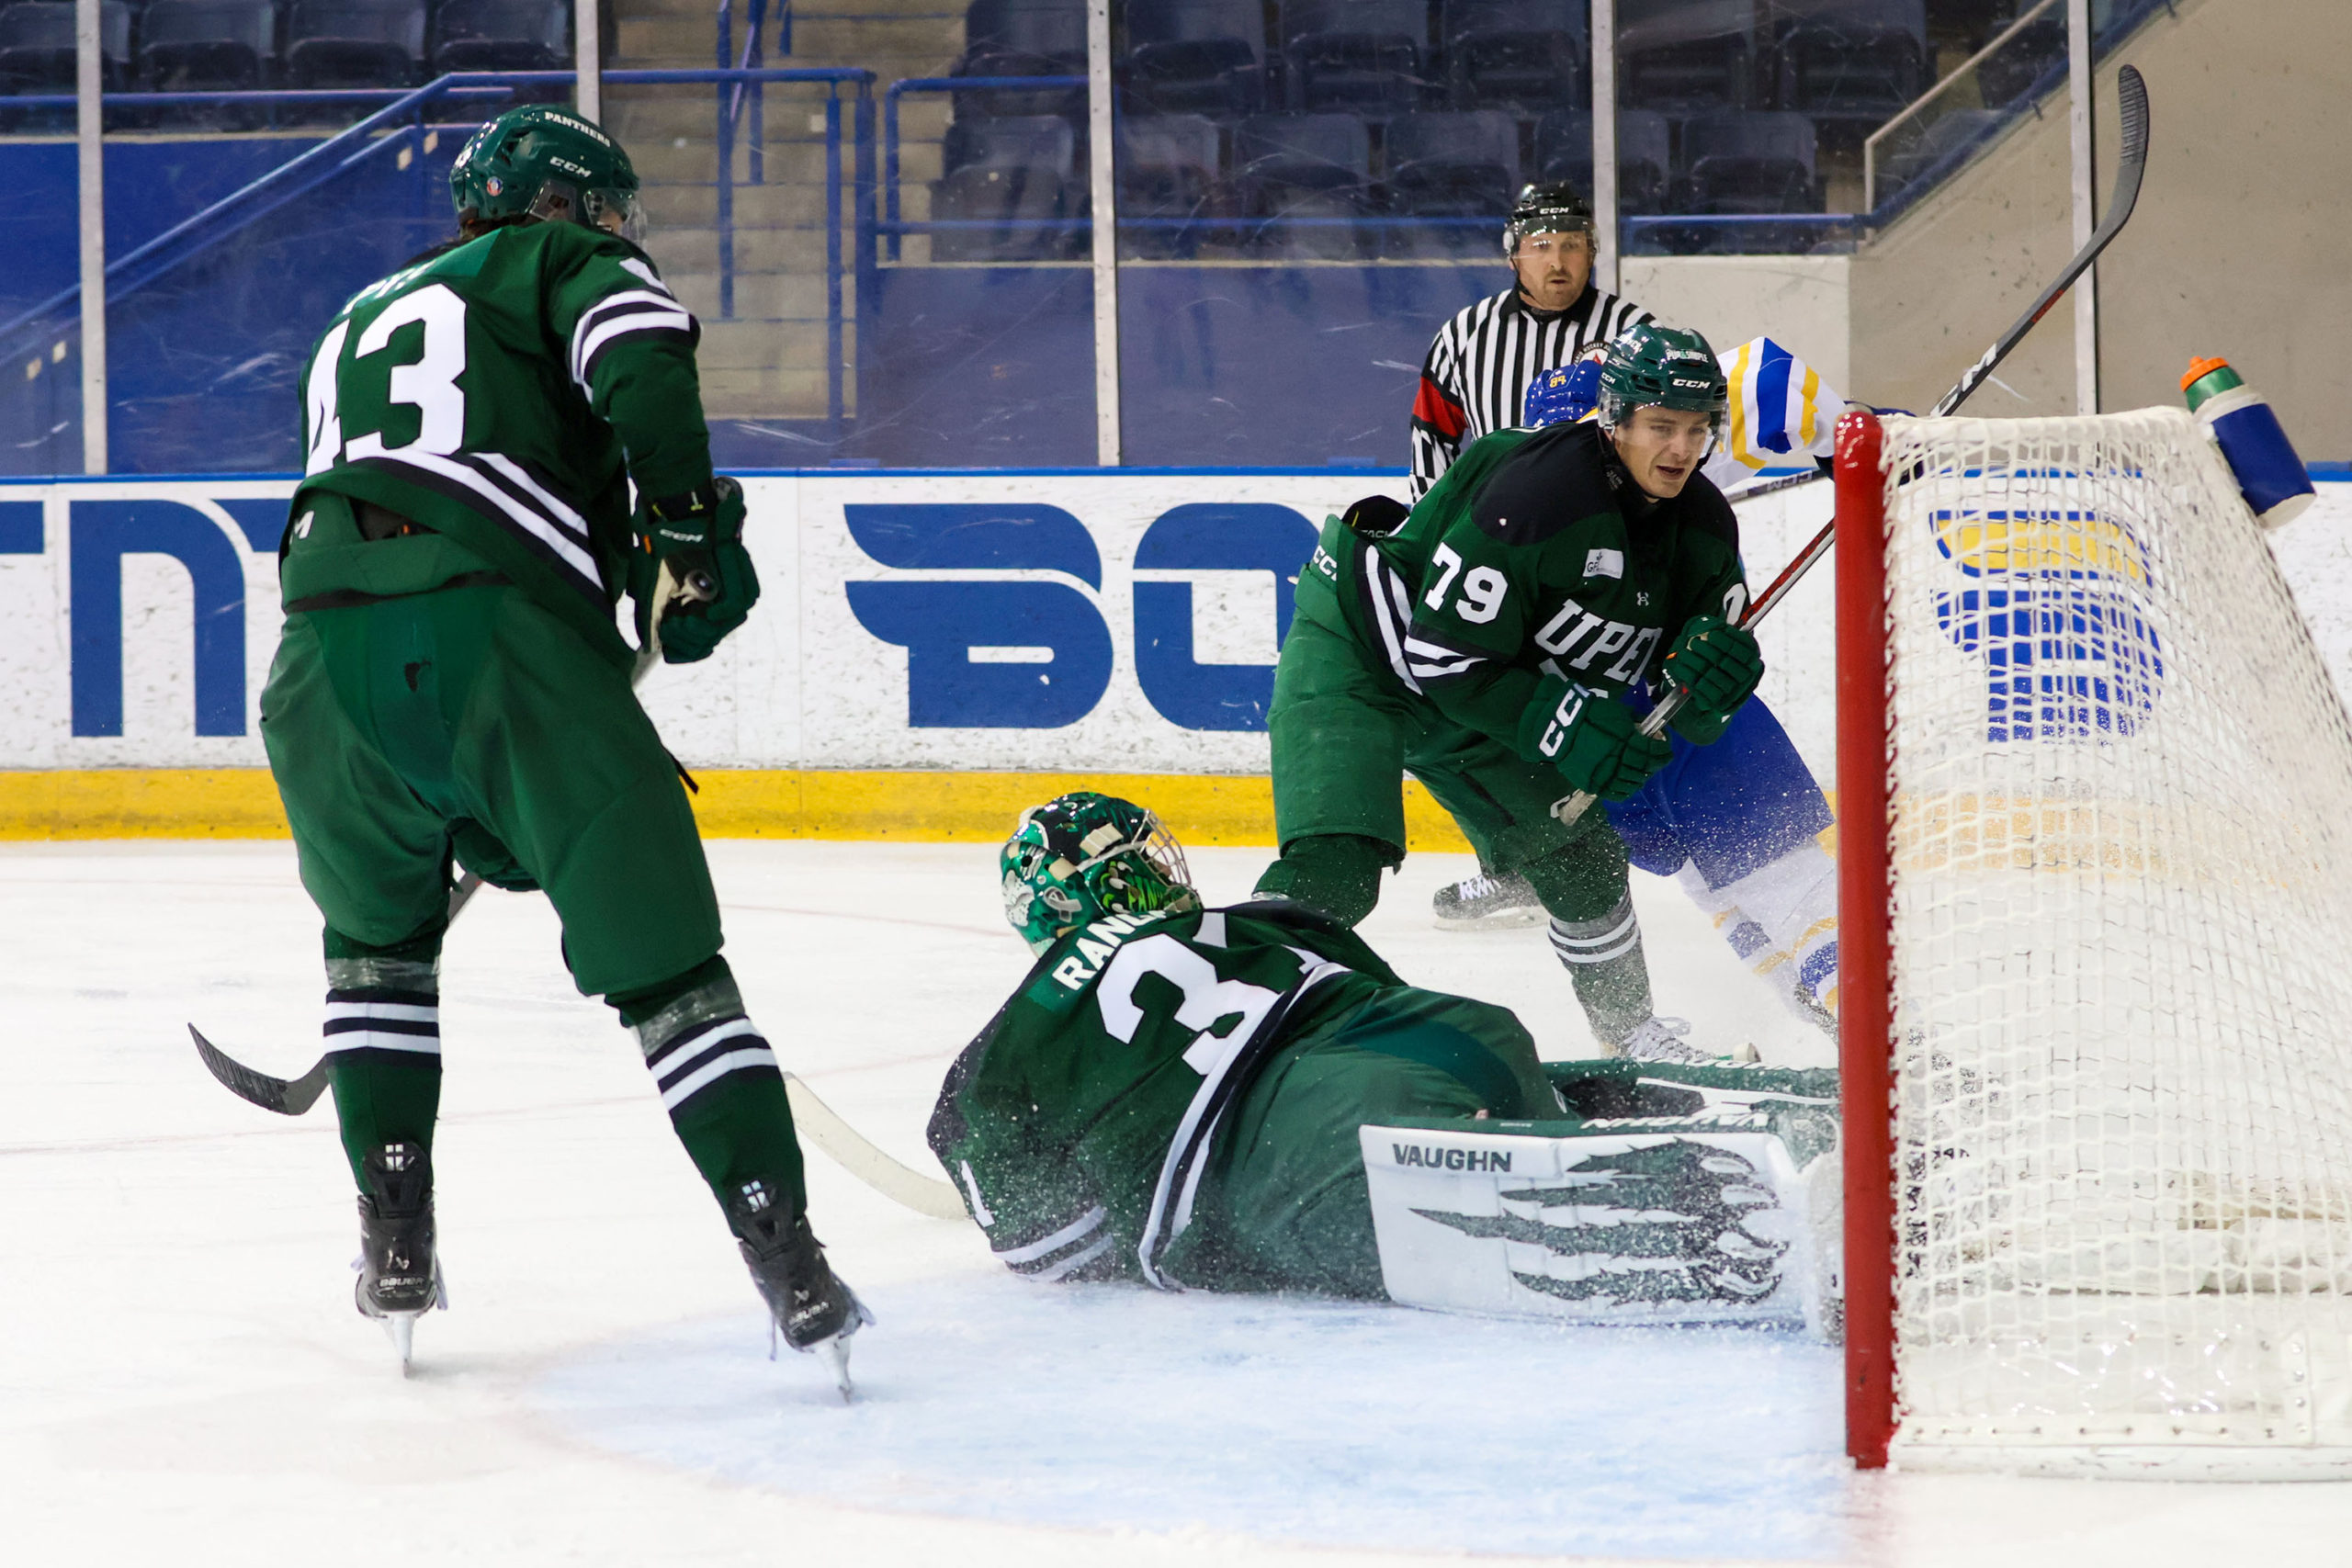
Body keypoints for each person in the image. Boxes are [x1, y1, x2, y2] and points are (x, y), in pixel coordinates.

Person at [256, 105, 867, 1383]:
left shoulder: (352, 322)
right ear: (560, 205)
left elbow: (493, 484)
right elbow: (639, 362)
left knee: (375, 950)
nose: (616, 236)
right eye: (606, 214)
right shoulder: (552, 265)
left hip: (320, 668)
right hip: (496, 651)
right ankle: (788, 1256)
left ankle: (395, 1237)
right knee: (672, 979)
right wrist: (693, 531)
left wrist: (660, 576)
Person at [929, 792, 1834, 1309]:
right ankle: (1795, 1126)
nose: (1161, 878)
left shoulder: (1022, 1028)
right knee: (1497, 1094)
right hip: (1443, 1030)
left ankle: (1765, 1222)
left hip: (1308, 1139)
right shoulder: (1253, 920)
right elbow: (1371, 982)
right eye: (1142, 867)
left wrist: (1118, 1223)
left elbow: (1026, 1221)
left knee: (1482, 1196)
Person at [1252, 321, 1763, 1063]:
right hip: (1367, 651)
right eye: (1661, 426)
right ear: (1615, 419)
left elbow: (1688, 693)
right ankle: (1218, 1012)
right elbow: (1441, 651)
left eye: (1696, 428)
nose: (1681, 450)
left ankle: (1627, 1032)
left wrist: (1713, 685)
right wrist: (1566, 728)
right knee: (1336, 869)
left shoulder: (1705, 531)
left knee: (1582, 857)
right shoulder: (1541, 492)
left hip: (1477, 683)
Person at [1430, 340, 1846, 1035]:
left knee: (1776, 876)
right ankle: (1852, 1036)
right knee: (1717, 886)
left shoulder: (1683, 475)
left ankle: (1889, 1039)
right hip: (1609, 743)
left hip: (1682, 724)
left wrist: (1859, 435)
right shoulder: (1532, 501)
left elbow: (1768, 370)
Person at [1408, 182, 1652, 502]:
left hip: (1603, 524)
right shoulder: (1463, 335)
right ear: (1513, 255)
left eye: (1572, 245)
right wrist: (1433, 526)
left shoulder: (1635, 333)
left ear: (1591, 251)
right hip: (1492, 530)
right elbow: (1431, 438)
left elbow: (1665, 434)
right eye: (1541, 245)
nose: (1557, 262)